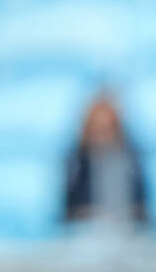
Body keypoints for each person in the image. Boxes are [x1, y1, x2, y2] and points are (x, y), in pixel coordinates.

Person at [61, 89, 150, 232]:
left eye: (108, 129)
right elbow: (67, 215)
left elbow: (144, 211)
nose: (103, 137)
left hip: (127, 234)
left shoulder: (132, 160)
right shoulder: (77, 162)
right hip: (86, 237)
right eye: (97, 129)